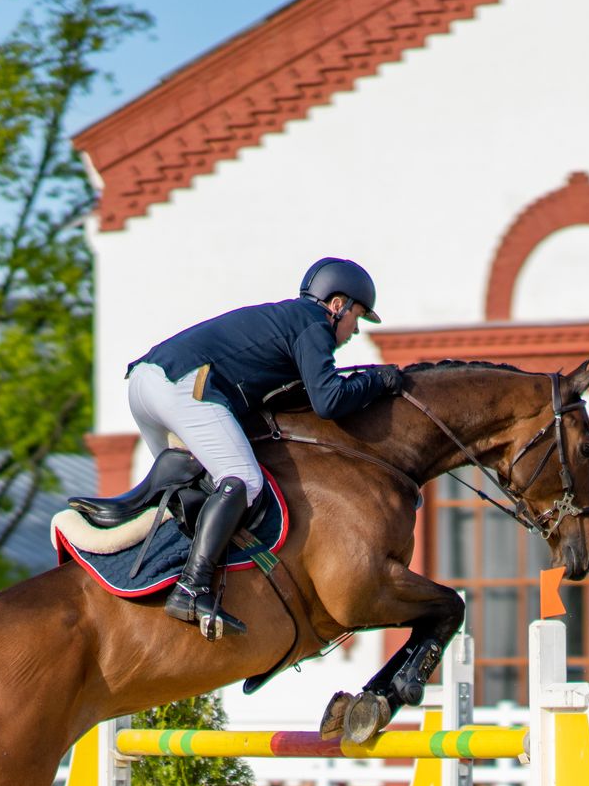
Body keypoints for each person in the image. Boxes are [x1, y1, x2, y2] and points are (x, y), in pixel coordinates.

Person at [119, 258, 403, 633]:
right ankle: (191, 587)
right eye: (358, 317)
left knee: (199, 486)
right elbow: (329, 401)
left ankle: (170, 572)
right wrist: (378, 381)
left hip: (145, 383)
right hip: (182, 385)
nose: (354, 331)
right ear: (337, 305)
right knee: (243, 481)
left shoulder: (288, 320)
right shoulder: (313, 324)